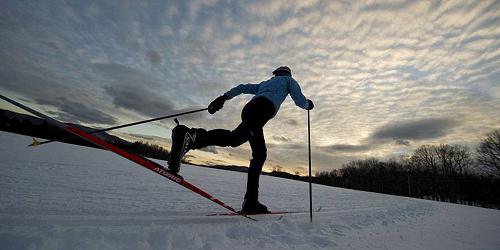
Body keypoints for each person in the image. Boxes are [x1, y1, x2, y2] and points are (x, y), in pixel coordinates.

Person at [167, 66, 314, 214]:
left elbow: (242, 87)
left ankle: (251, 201)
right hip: (261, 111)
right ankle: (192, 137)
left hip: (249, 110)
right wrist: (308, 104)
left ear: (275, 74)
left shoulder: (264, 84)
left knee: (248, 146)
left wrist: (223, 98)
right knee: (248, 146)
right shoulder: (289, 80)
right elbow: (300, 101)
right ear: (288, 74)